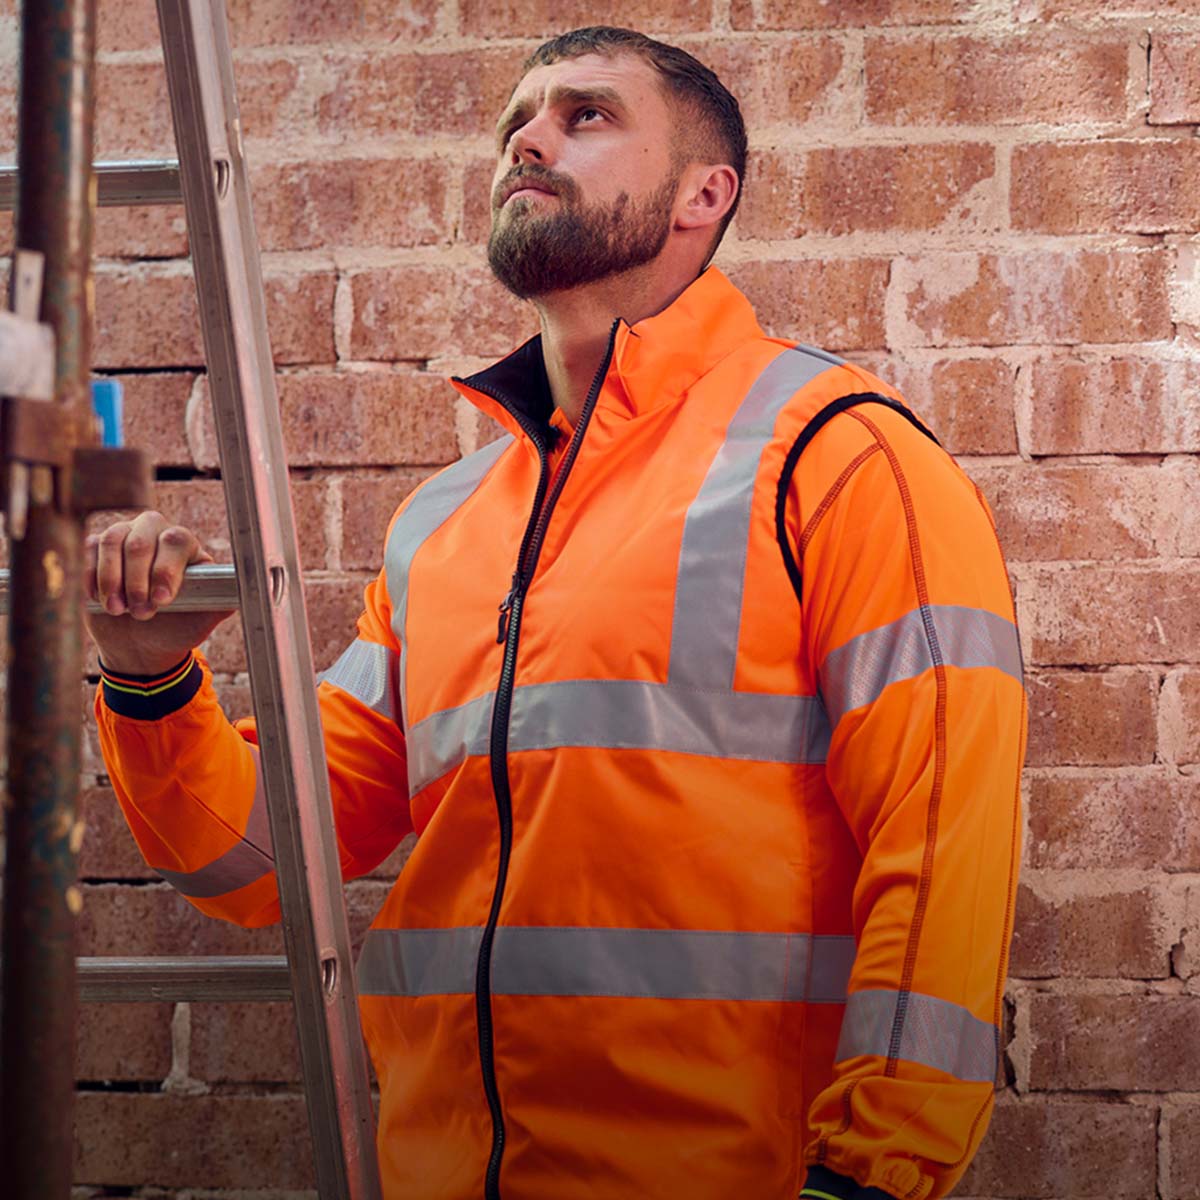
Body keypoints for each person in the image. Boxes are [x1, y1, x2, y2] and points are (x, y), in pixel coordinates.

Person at [87, 26, 1027, 1200]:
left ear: (704, 193)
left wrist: (876, 1175)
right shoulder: (446, 525)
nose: (528, 137)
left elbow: (947, 846)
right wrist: (150, 687)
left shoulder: (837, 458)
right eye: (517, 122)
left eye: (586, 115)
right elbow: (271, 869)